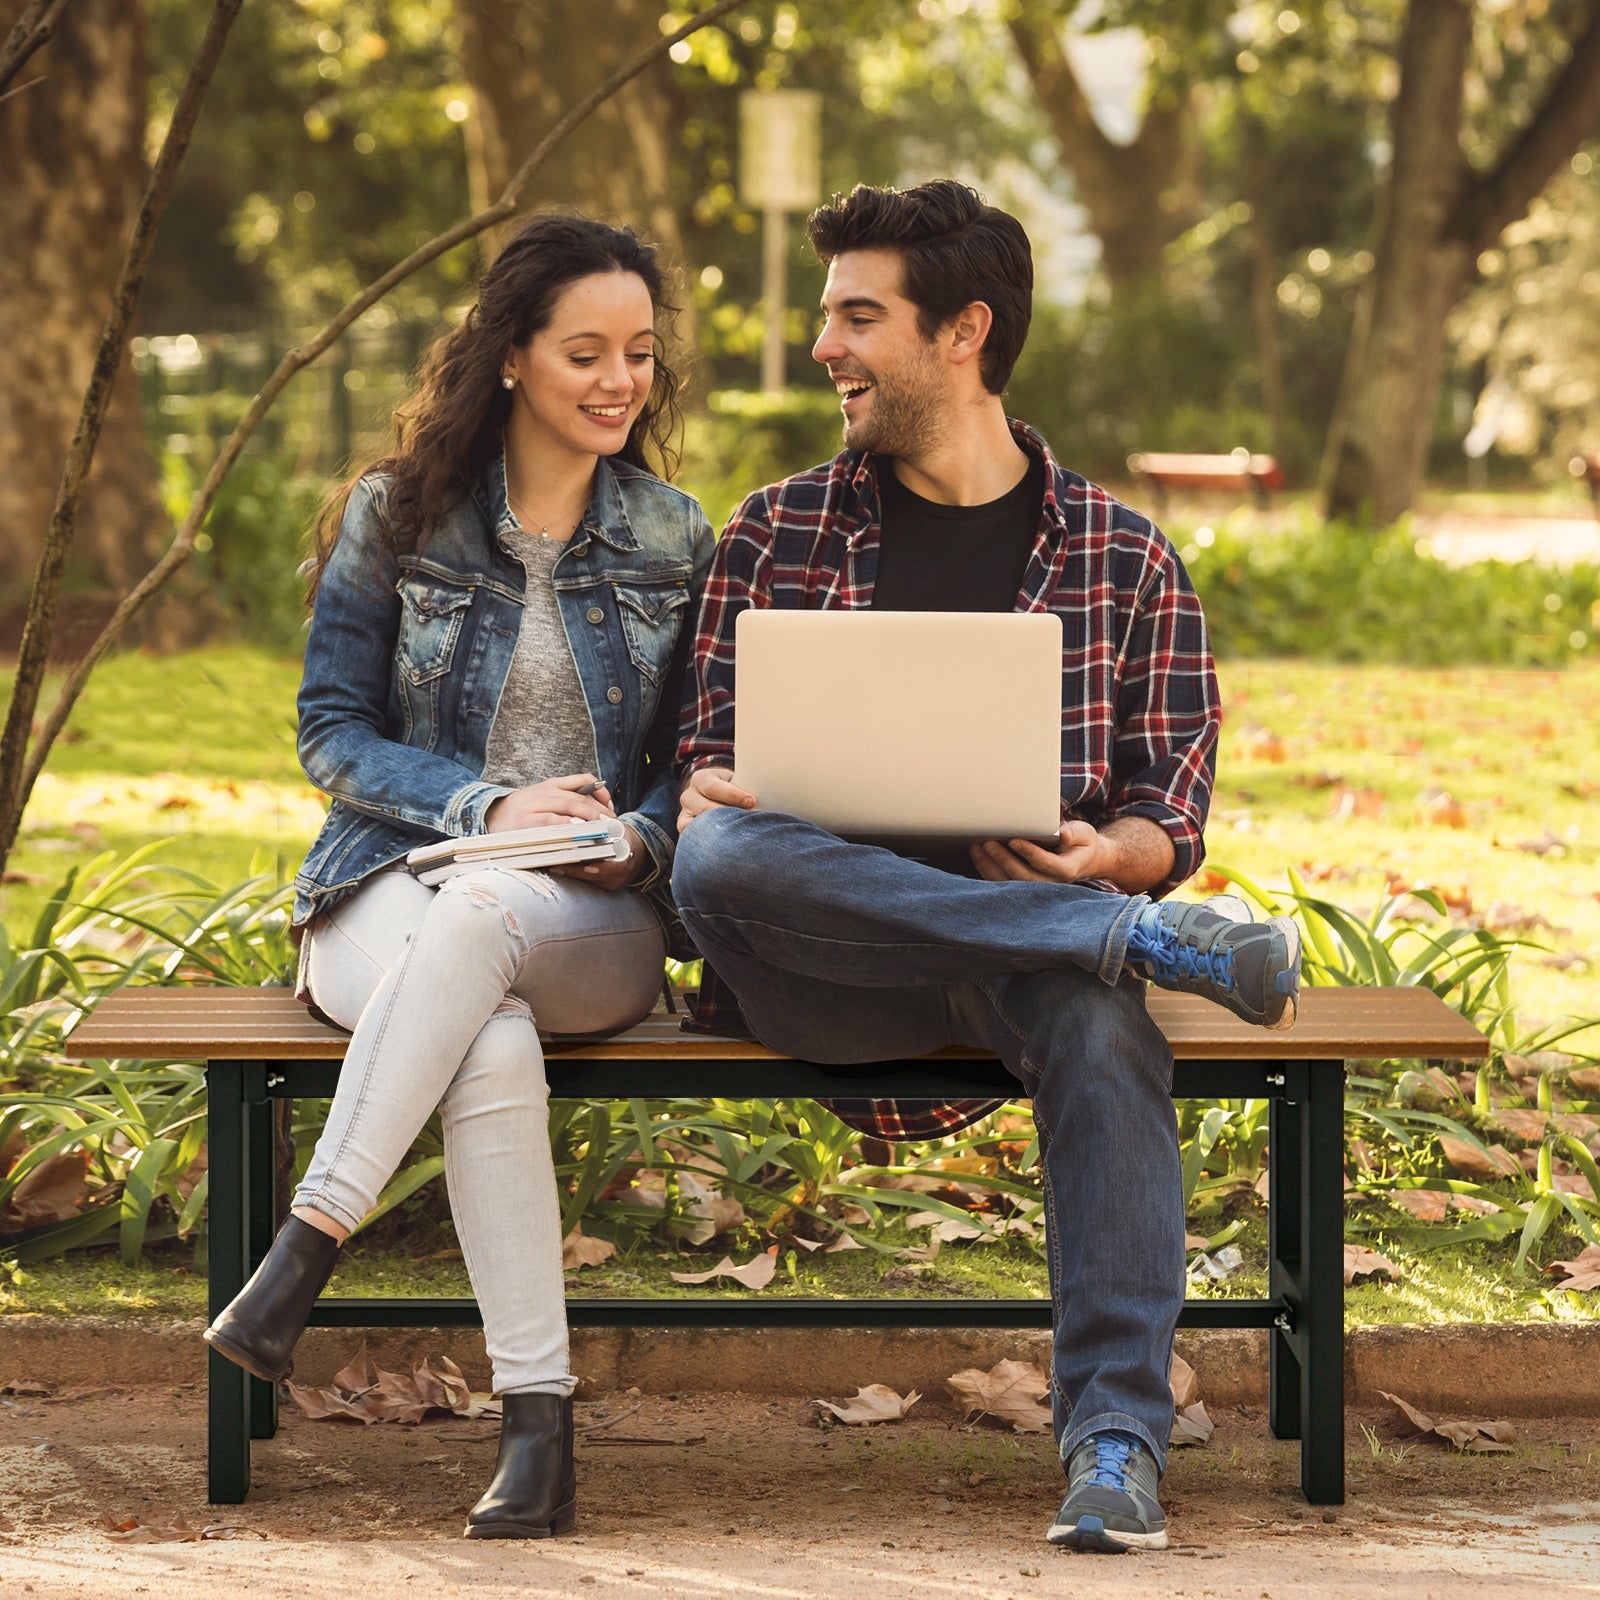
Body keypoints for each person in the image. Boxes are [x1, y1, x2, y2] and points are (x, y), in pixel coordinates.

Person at [670, 180, 1300, 1555]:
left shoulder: (1127, 557)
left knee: (1095, 1023)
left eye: (856, 317)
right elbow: (700, 771)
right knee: (715, 855)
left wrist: (1110, 857)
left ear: (963, 331)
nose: (825, 346)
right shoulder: (774, 532)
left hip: (1025, 966)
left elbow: (1166, 810)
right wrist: (704, 784)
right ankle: (1125, 942)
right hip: (824, 968)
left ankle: (1117, 1445)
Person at [203, 213, 713, 1540]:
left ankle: (303, 1253)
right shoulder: (401, 512)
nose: (618, 382)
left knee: (495, 913)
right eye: (585, 352)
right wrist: (486, 802)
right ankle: (538, 1433)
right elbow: (332, 731)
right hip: (392, 880)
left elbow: (700, 756)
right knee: (484, 1038)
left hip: (583, 912)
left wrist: (639, 836)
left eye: (640, 356)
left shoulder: (672, 533)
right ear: (510, 357)